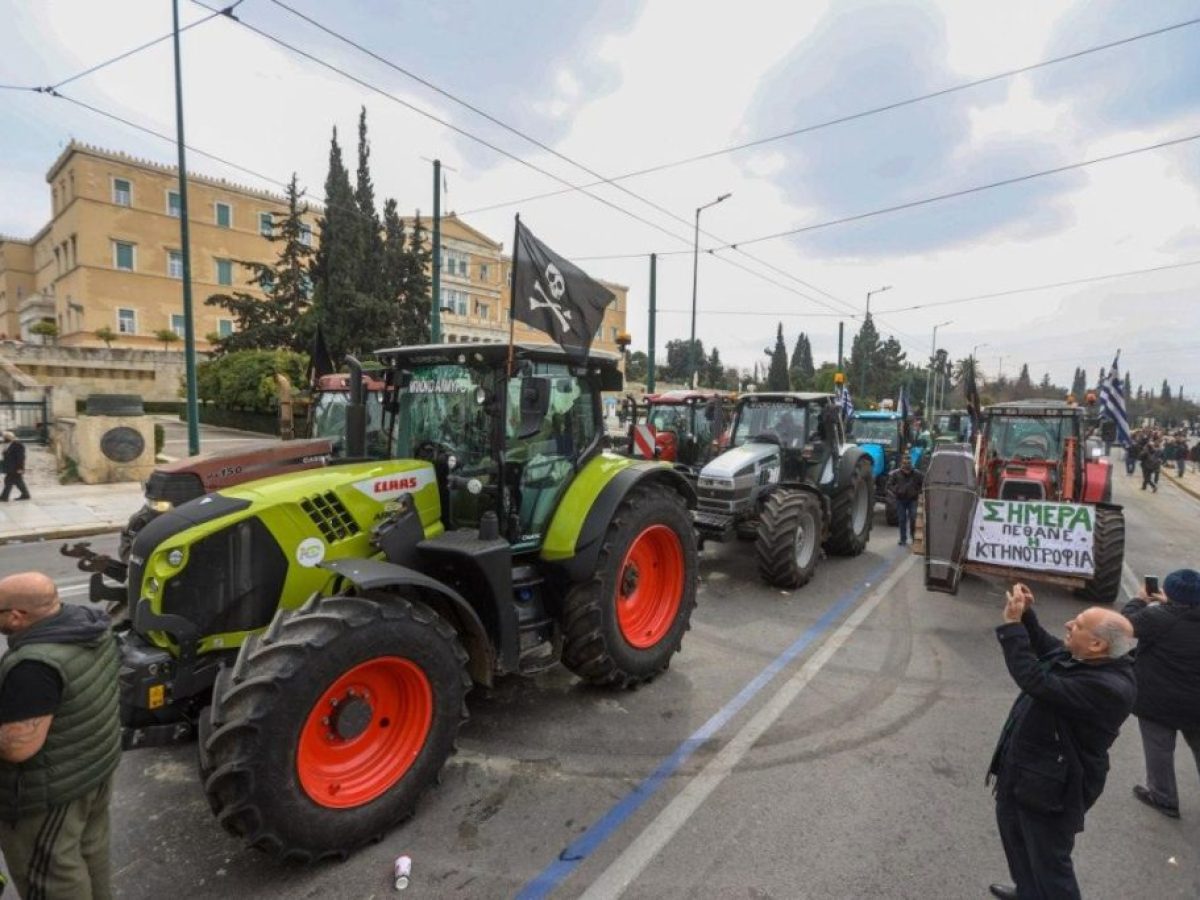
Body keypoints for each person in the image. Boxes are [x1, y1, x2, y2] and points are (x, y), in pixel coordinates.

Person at [986, 584, 1137, 900]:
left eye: (1078, 624)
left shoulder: (1109, 687)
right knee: (1016, 841)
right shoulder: (1089, 658)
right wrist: (1027, 615)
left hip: (1052, 788)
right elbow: (1046, 646)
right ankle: (1028, 892)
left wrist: (1012, 627)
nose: (1069, 625)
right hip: (1025, 771)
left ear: (1096, 644)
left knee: (1050, 864)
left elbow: (1034, 680)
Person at [0, 572, 120, 900]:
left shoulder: (34, 666)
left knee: (51, 873)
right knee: (90, 851)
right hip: (92, 772)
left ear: (17, 615)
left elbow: (18, 746)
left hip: (49, 793)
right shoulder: (90, 626)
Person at [1121, 569, 1200, 819]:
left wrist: (1140, 599)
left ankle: (1163, 797)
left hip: (1158, 700)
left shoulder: (1158, 617)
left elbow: (1125, 625)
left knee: (1159, 749)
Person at [886, 452, 922, 546]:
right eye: (905, 463)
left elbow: (923, 485)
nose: (907, 466)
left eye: (908, 463)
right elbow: (889, 485)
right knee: (902, 519)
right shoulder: (895, 474)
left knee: (913, 518)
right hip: (900, 500)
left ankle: (913, 537)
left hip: (912, 500)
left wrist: (917, 492)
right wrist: (897, 491)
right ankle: (903, 539)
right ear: (902, 464)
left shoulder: (917, 474)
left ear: (911, 464)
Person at [0, 432, 30, 502]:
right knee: (18, 481)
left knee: (8, 481)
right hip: (10, 467)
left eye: (5, 437)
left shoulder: (18, 445)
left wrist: (20, 468)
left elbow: (21, 458)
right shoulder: (7, 444)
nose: (4, 439)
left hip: (15, 467)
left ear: (10, 438)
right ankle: (25, 494)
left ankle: (4, 497)